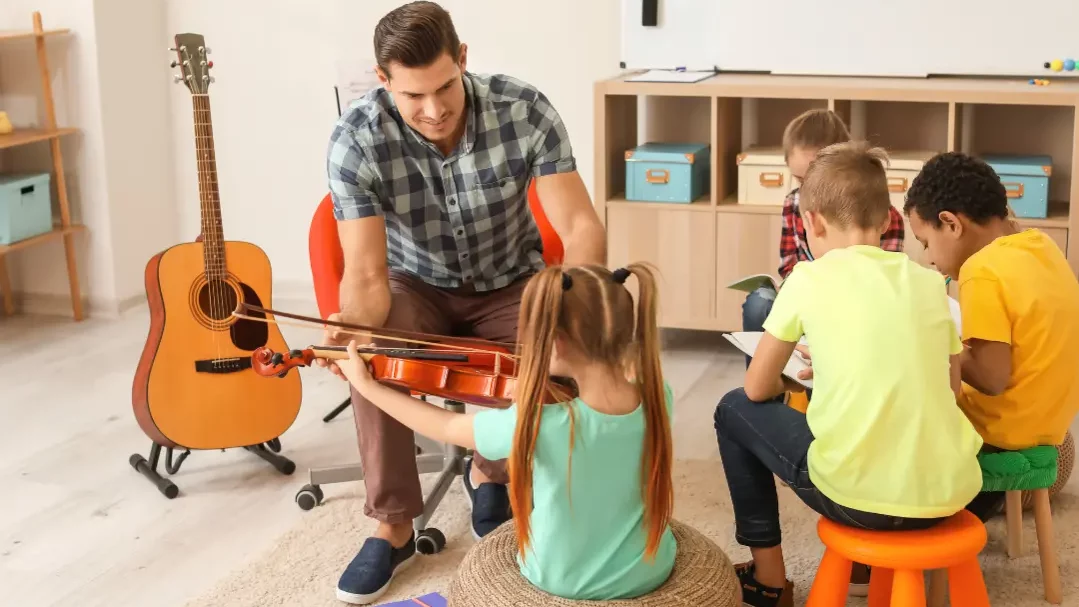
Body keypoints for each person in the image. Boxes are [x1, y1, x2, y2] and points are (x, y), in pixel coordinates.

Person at [322, 2, 607, 603]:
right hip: (413, 284)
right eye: (412, 95)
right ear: (383, 81)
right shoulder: (355, 140)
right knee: (375, 348)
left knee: (557, 351)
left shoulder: (523, 108)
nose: (434, 109)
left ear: (464, 60)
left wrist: (574, 304)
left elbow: (579, 225)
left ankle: (491, 470)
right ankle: (395, 521)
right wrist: (351, 330)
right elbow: (369, 275)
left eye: (445, 86)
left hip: (511, 280)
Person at [714, 141, 984, 607]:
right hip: (949, 493)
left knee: (732, 408)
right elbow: (951, 391)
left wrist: (795, 378)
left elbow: (758, 386)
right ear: (886, 220)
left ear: (812, 220)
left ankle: (769, 578)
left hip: (858, 500)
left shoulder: (807, 278)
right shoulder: (930, 284)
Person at [335, 264, 677, 601]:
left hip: (561, 580)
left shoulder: (540, 422)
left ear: (555, 345)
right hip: (650, 569)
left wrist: (368, 387)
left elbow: (446, 426)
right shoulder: (659, 395)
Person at [903, 151, 1079, 520]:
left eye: (925, 242)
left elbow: (993, 378)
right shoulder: (1041, 245)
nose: (929, 259)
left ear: (951, 223)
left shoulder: (981, 270)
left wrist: (938, 341)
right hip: (1049, 425)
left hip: (1001, 433)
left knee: (902, 397)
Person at [741, 110, 906, 341]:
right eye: (800, 180)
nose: (807, 189)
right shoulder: (792, 202)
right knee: (759, 302)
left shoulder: (881, 214)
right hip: (806, 293)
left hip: (858, 302)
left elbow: (885, 277)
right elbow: (789, 263)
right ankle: (772, 374)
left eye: (815, 178)